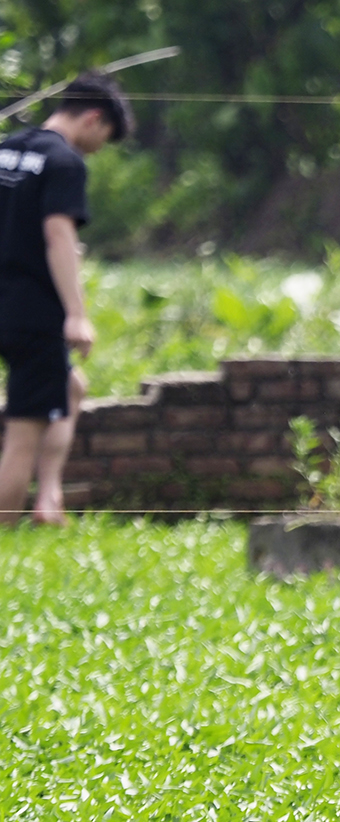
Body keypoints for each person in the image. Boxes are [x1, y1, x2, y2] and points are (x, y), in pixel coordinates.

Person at [0, 71, 132, 525]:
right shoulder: (65, 163)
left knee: (72, 386)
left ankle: (49, 498)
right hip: (31, 310)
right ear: (94, 119)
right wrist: (77, 315)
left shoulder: (5, 148)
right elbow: (57, 233)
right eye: (103, 139)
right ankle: (8, 527)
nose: (96, 148)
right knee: (23, 433)